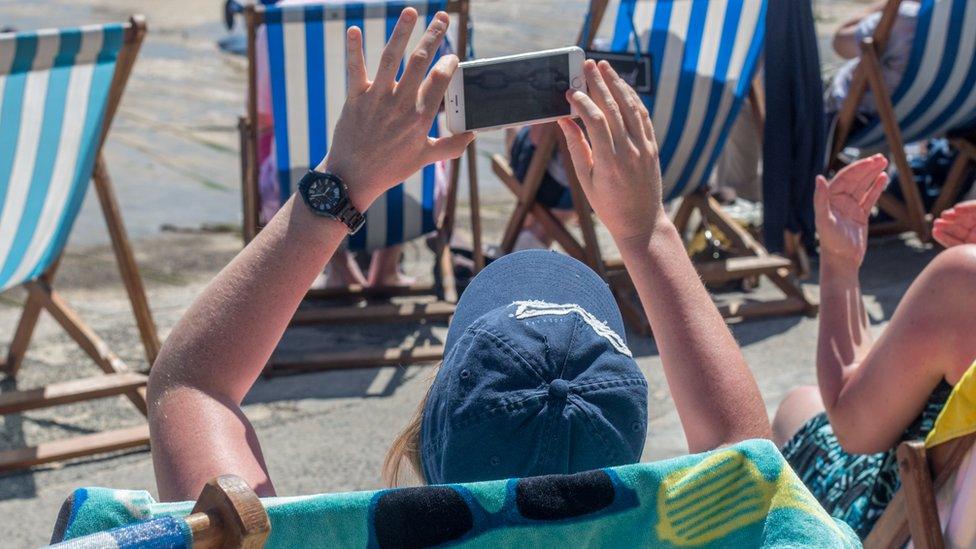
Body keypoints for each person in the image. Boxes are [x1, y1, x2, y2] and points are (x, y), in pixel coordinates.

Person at [147, 8, 769, 501]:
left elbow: (190, 386)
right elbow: (744, 451)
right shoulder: (735, 522)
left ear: (426, 438)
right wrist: (647, 231)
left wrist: (343, 180)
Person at [772, 156, 976, 537]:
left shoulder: (964, 284)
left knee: (797, 405)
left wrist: (840, 261)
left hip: (914, 523)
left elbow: (854, 430)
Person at [255, 0, 452, 288]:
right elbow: (441, 100)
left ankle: (339, 270)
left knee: (290, 140)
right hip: (410, 203)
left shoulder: (278, 19)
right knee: (420, 138)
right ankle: (385, 269)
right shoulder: (419, 12)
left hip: (301, 191)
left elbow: (264, 114)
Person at [825, 0, 920, 118]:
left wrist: (891, 4)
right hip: (927, 118)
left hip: (863, 117)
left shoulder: (903, 17)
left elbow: (840, 43)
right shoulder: (946, 19)